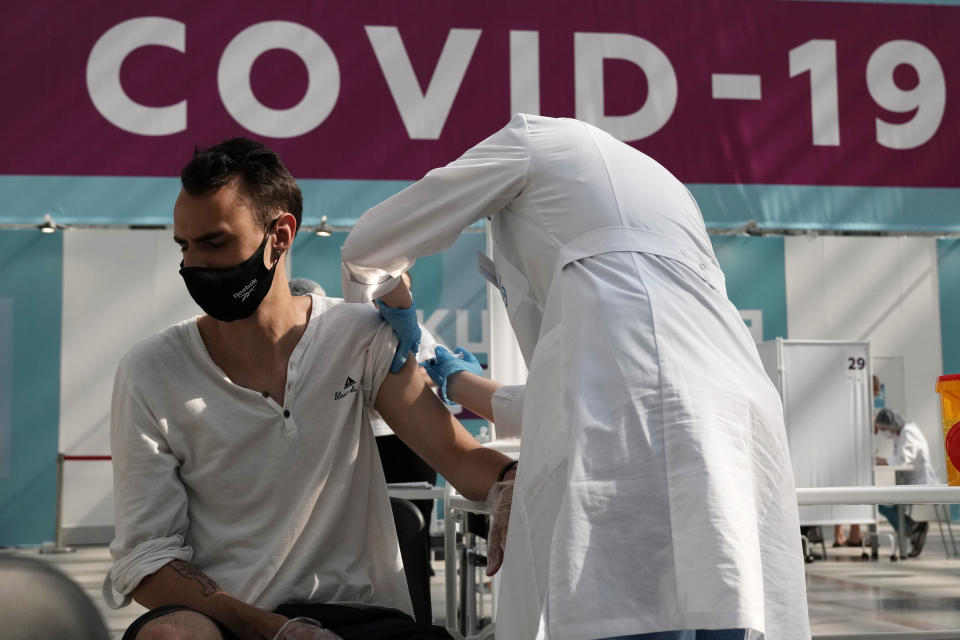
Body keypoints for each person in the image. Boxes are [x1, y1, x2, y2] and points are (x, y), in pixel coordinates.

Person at [341, 114, 810, 640]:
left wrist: (386, 313)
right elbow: (598, 377)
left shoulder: (531, 139)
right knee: (722, 599)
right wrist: (459, 382)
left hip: (633, 425)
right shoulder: (664, 190)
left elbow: (368, 245)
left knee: (622, 611)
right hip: (736, 416)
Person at [104, 138, 514, 640]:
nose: (194, 265)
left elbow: (459, 457)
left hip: (362, 618)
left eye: (215, 243)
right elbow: (145, 559)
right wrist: (273, 629)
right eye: (184, 246)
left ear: (280, 234)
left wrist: (513, 484)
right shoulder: (151, 370)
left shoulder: (358, 336)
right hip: (230, 620)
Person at [874, 408, 939, 557]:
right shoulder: (900, 434)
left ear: (891, 425)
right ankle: (914, 529)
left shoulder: (908, 432)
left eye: (884, 429)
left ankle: (913, 529)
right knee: (883, 503)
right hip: (909, 482)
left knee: (884, 504)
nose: (884, 432)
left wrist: (880, 461)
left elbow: (903, 459)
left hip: (921, 483)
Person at [832, 376, 884, 548]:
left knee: (848, 495)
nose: (875, 396)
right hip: (851, 456)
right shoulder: (859, 404)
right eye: (875, 392)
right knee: (854, 494)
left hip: (845, 455)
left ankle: (848, 534)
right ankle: (848, 534)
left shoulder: (852, 402)